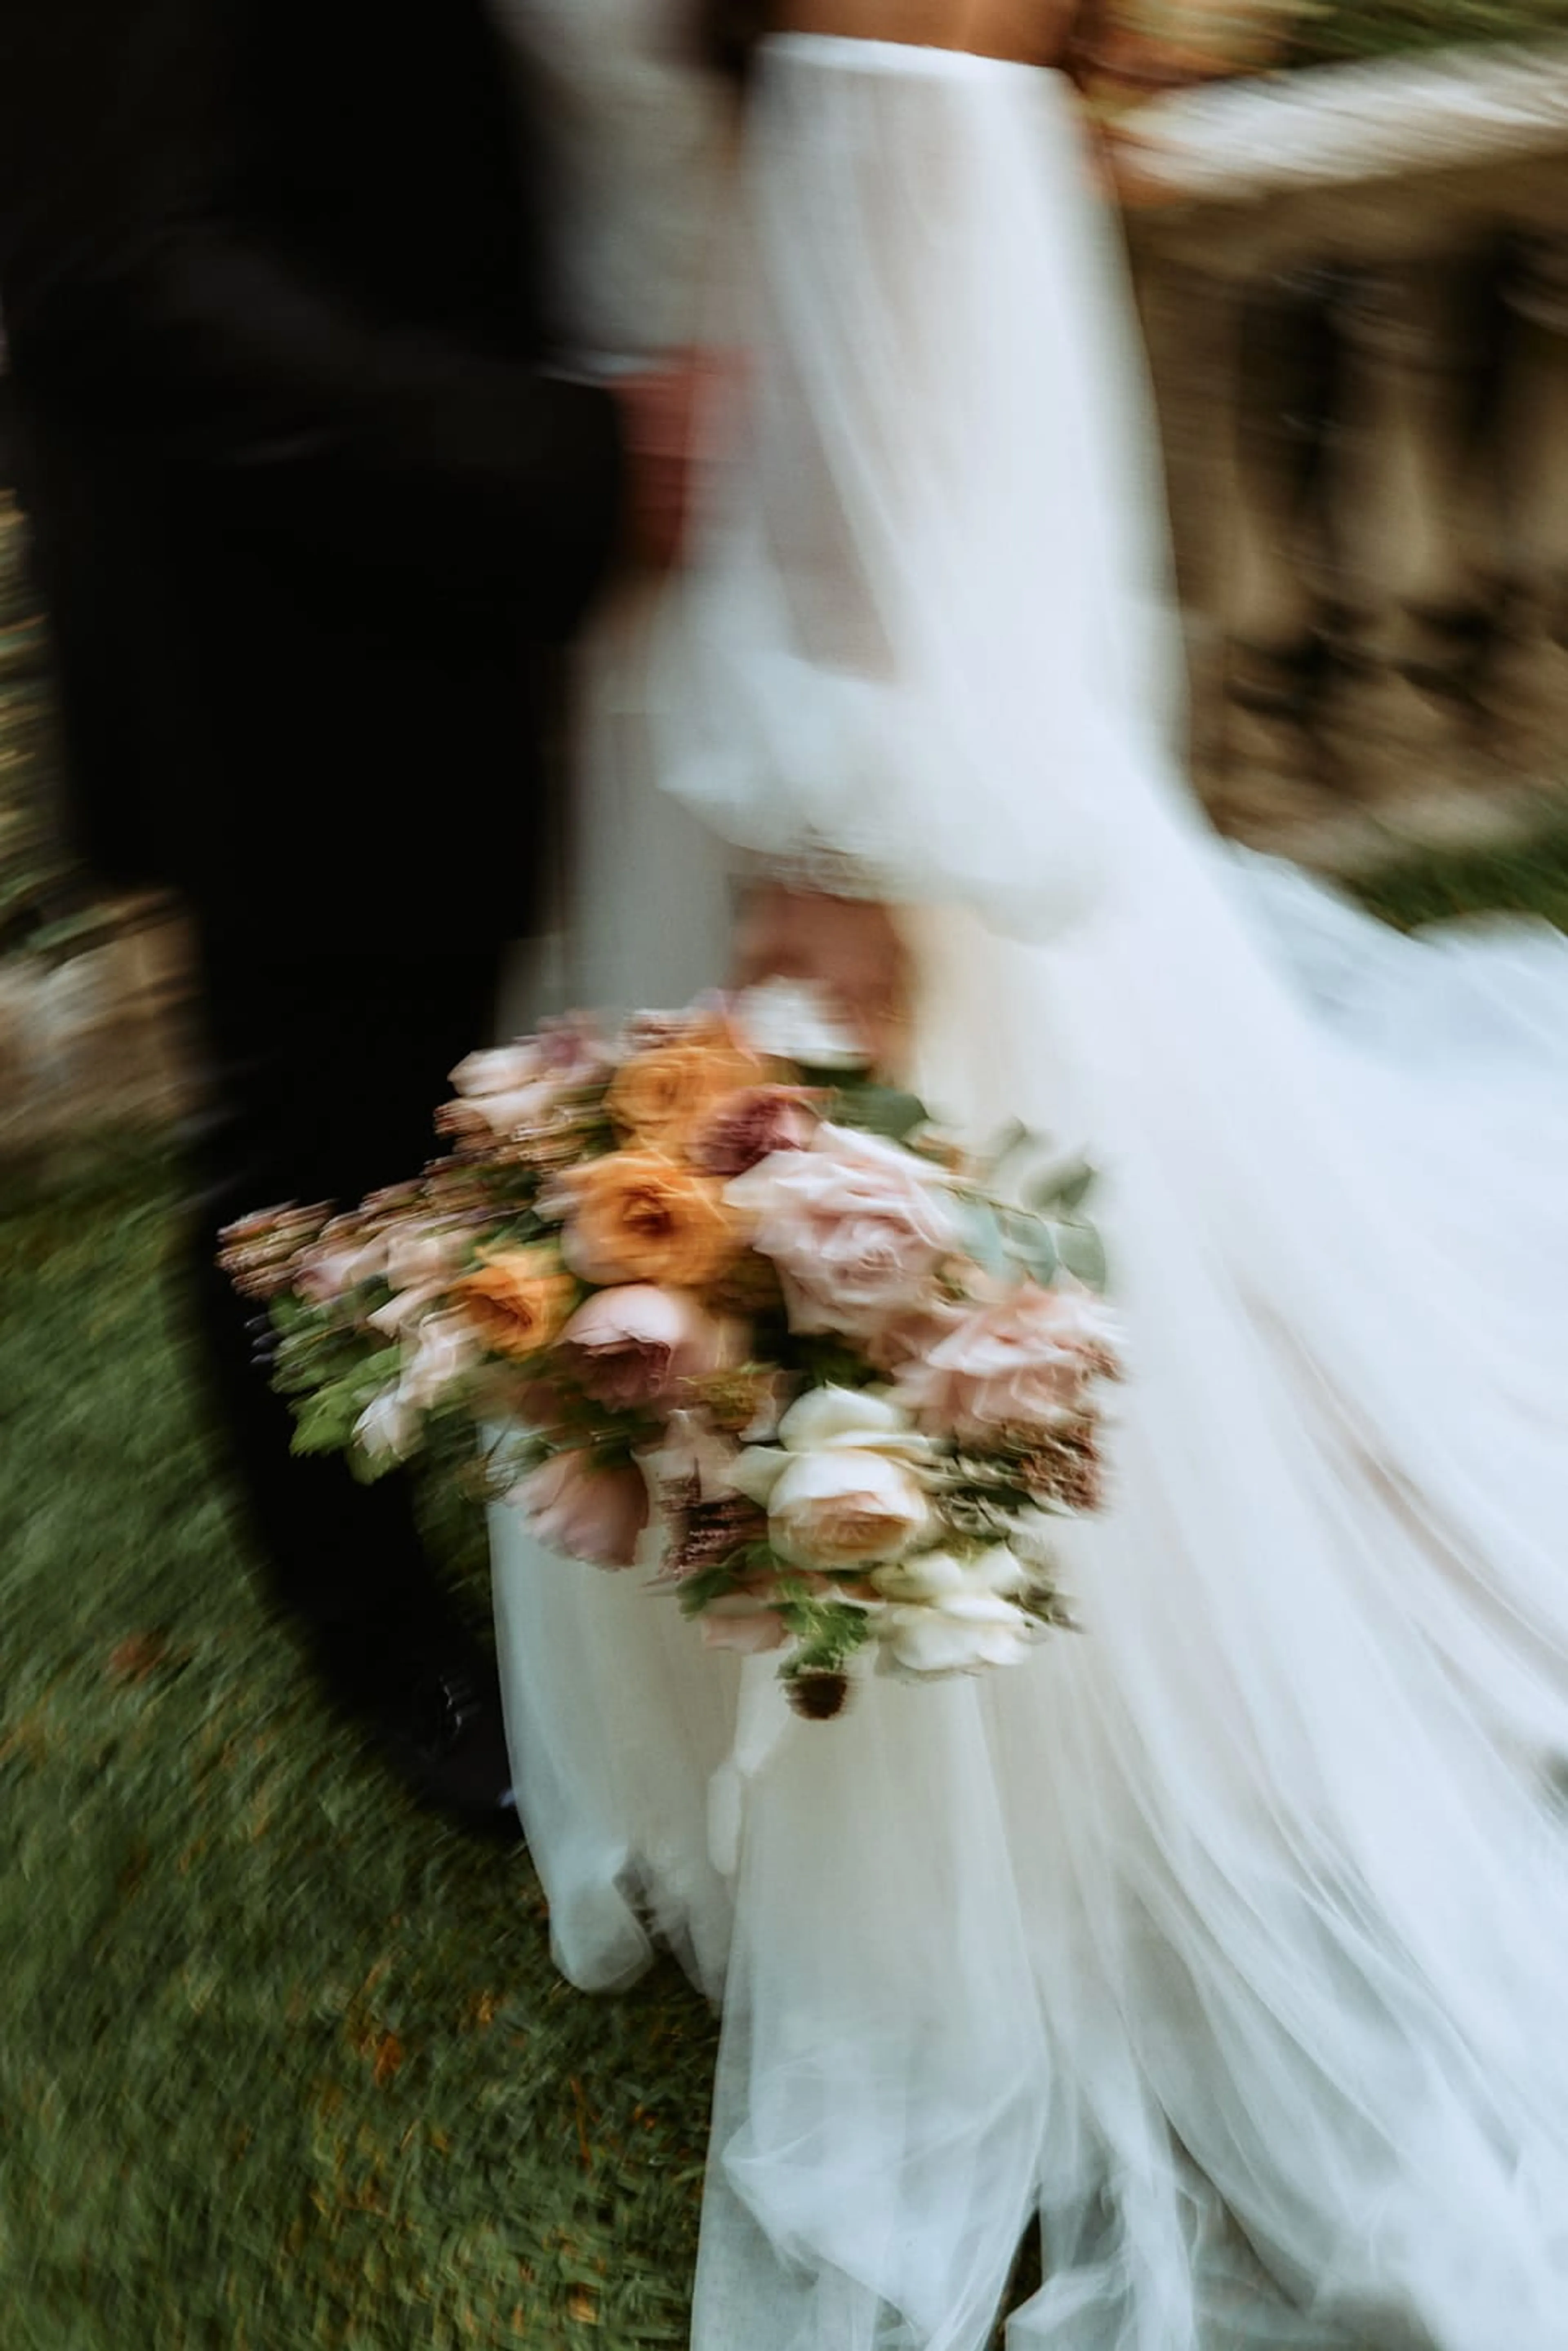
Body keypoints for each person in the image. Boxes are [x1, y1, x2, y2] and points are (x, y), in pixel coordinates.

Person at [489, 1, 1568, 2344]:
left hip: (819, 733)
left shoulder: (886, 42)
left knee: (907, 1290)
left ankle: (962, 1829)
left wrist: (829, 885)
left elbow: (905, 308)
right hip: (709, 650)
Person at [0, 0, 703, 1831]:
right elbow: (114, 281)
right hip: (288, 632)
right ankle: (378, 1629)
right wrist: (579, 462)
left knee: (498, 1096)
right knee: (315, 1154)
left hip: (519, 576)